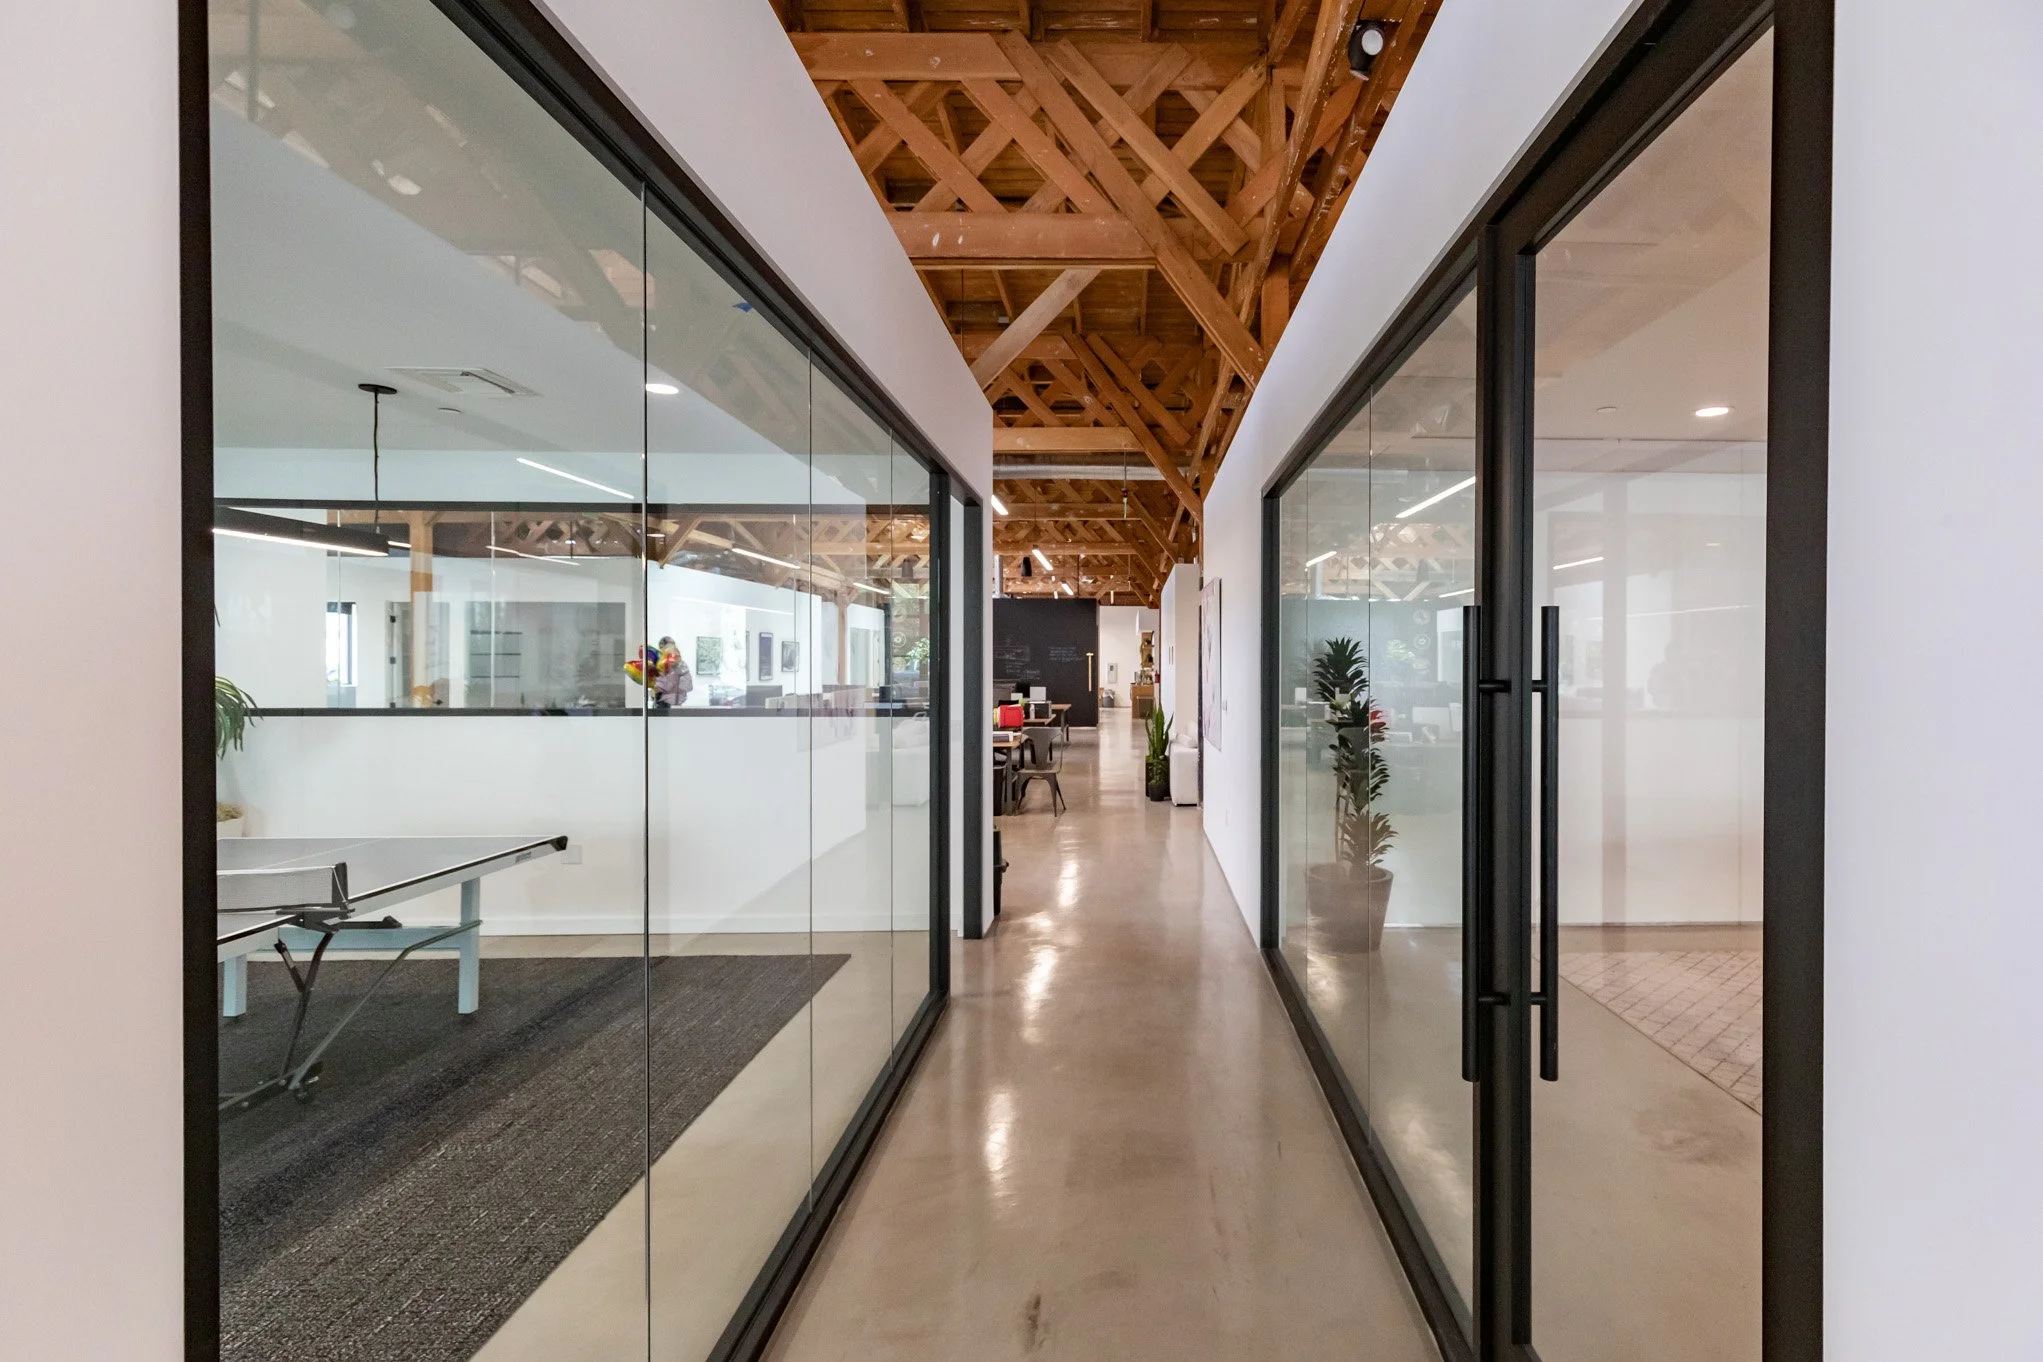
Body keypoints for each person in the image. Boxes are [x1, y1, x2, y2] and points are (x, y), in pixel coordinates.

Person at [652, 635, 693, 708]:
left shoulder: (682, 665)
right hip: (661, 706)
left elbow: (688, 687)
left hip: (677, 706)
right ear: (661, 650)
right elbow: (656, 690)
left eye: (673, 648)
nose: (672, 652)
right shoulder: (658, 666)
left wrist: (679, 667)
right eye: (667, 649)